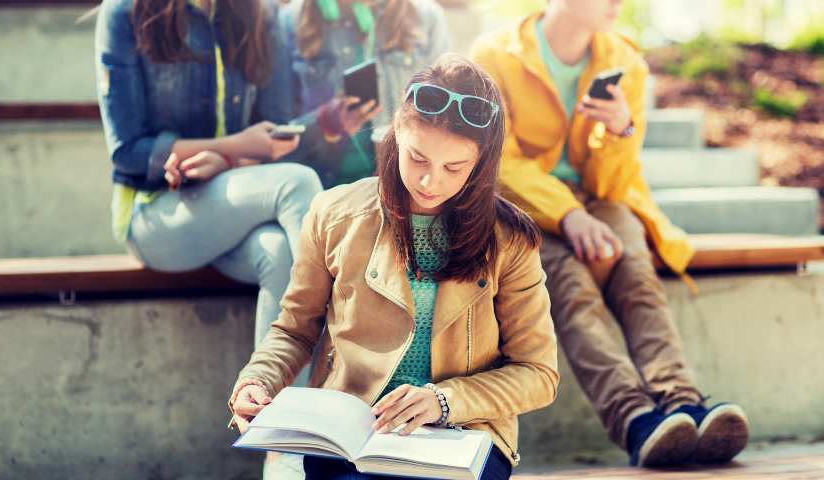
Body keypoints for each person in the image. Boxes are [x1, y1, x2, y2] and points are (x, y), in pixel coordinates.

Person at [228, 53, 560, 480]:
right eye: (418, 158)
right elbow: (294, 330)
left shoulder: (510, 240)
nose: (430, 181)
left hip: (463, 435)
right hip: (346, 437)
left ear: (480, 162)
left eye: (454, 167)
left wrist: (444, 400)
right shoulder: (333, 214)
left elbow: (539, 373)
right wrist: (256, 382)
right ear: (398, 133)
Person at [470, 0, 749, 468]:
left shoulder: (625, 62)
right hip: (521, 209)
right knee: (571, 287)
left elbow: (613, 186)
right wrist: (568, 214)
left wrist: (620, 130)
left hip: (600, 200)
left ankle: (683, 402)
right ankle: (635, 419)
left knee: (637, 274)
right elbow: (497, 161)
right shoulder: (495, 53)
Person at [95, 0, 323, 383]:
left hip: (232, 205)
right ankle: (350, 330)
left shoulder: (261, 15)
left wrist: (228, 161)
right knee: (297, 182)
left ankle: (283, 437)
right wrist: (232, 148)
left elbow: (275, 139)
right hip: (156, 211)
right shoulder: (125, 12)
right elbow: (127, 152)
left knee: (279, 251)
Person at [280, 0, 451, 188]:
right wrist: (322, 124)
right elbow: (273, 141)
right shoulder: (288, 21)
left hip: (402, 189)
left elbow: (444, 121)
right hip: (322, 188)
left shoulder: (427, 16)